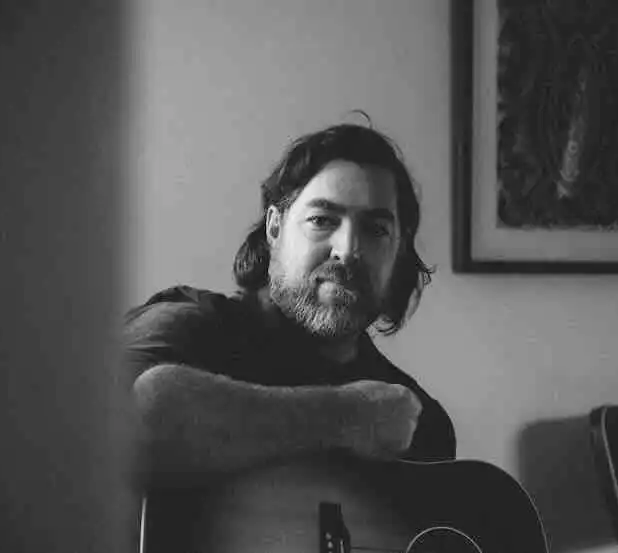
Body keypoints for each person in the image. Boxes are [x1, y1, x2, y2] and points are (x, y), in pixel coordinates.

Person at [124, 121, 456, 489]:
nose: (347, 250)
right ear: (274, 229)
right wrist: (347, 415)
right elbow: (107, 430)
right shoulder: (188, 328)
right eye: (322, 220)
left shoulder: (420, 427)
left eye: (376, 230)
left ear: (399, 251)